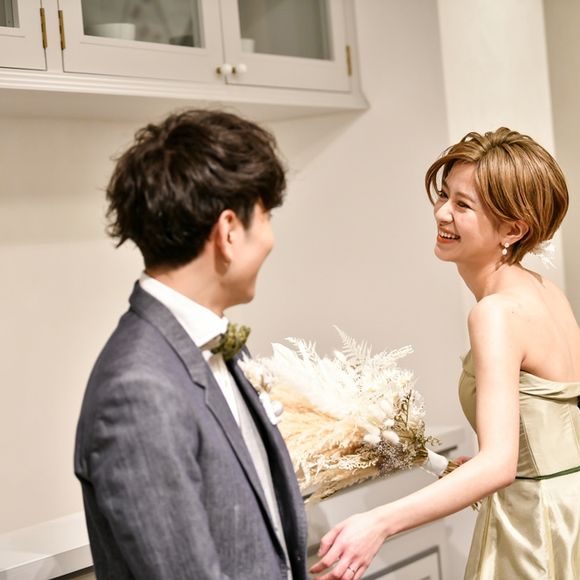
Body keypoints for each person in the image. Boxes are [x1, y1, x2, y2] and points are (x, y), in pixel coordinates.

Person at [310, 127, 580, 579]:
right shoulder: (545, 291)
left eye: (463, 205)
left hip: (534, 523)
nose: (441, 213)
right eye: (443, 195)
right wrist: (509, 466)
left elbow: (499, 466)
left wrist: (378, 523)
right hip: (567, 508)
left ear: (513, 229)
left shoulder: (495, 313)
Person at [74, 109, 308, 580]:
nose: (270, 238)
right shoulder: (138, 390)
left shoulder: (216, 344)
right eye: (266, 217)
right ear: (228, 231)